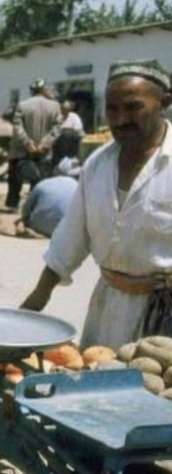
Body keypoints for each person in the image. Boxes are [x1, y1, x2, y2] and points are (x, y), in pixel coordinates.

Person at [21, 60, 172, 348]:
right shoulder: (97, 165)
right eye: (112, 109)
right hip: (108, 309)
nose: (120, 119)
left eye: (133, 107)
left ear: (164, 103)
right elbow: (70, 239)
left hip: (165, 320)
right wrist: (34, 303)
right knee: (99, 373)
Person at [7, 79, 63, 209]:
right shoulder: (55, 106)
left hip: (23, 152)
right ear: (44, 90)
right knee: (42, 181)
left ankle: (12, 205)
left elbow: (17, 127)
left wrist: (28, 143)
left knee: (15, 180)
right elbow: (57, 128)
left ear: (32, 91)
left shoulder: (23, 105)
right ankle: (38, 206)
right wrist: (45, 143)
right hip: (44, 152)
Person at [52, 100, 85, 167]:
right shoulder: (59, 117)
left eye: (65, 109)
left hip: (74, 139)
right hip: (62, 140)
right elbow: (56, 128)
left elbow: (78, 128)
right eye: (62, 109)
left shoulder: (74, 117)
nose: (63, 111)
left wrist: (68, 129)